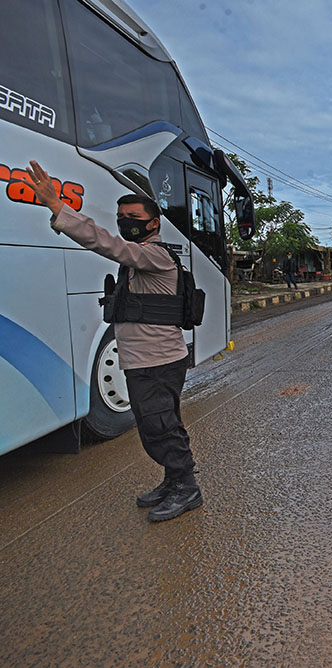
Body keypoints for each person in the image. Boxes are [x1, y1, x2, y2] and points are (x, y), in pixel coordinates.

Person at [25, 160, 203, 521]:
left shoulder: (154, 255)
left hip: (158, 361)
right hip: (143, 360)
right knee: (157, 425)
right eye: (121, 215)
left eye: (133, 216)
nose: (125, 222)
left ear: (153, 223)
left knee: (160, 426)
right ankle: (173, 480)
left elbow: (107, 244)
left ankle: (187, 488)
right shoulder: (140, 261)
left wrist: (58, 208)